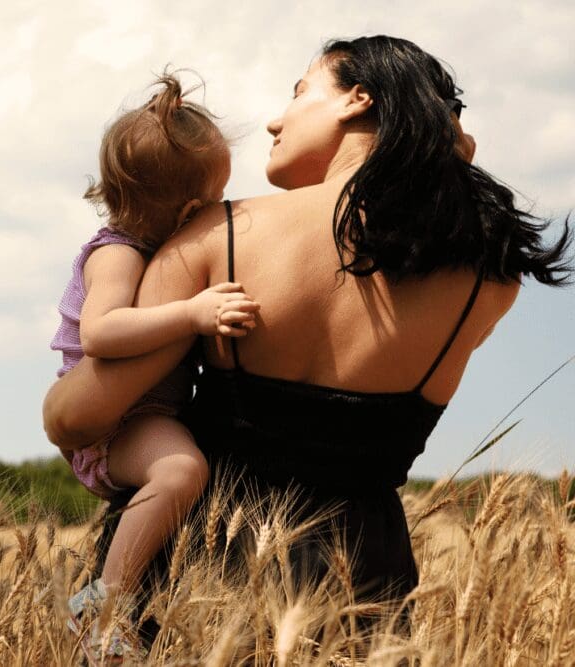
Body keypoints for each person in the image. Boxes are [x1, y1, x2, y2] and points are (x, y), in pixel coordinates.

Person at [43, 35, 571, 645]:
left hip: (198, 585)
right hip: (362, 593)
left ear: (356, 100)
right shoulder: (488, 276)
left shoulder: (221, 234)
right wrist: (446, 154)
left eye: (299, 92)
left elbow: (75, 417)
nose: (275, 119)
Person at [47, 73, 259, 658]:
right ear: (192, 207)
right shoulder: (116, 252)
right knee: (181, 473)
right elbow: (102, 332)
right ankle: (103, 607)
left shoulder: (147, 250)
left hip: (144, 412)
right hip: (116, 424)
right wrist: (192, 313)